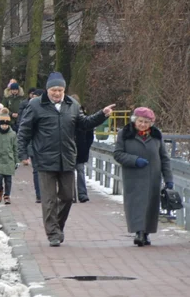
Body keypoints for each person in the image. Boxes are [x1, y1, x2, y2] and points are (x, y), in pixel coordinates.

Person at [17, 72, 113, 247]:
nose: (57, 93)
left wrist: (102, 115)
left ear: (64, 90)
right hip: (44, 159)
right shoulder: (36, 105)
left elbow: (84, 123)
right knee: (49, 199)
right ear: (47, 90)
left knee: (68, 197)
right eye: (54, 90)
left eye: (60, 90)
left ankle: (57, 226)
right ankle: (53, 233)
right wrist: (23, 154)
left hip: (67, 158)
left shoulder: (72, 105)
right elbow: (24, 131)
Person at [113, 107, 173, 246]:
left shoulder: (156, 135)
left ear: (151, 123)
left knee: (151, 206)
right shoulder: (125, 134)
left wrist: (168, 179)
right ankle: (138, 232)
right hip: (133, 177)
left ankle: (146, 233)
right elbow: (118, 154)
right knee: (136, 205)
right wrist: (134, 160)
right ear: (135, 120)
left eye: (146, 122)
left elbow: (164, 158)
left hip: (153, 177)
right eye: (140, 121)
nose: (143, 124)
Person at [74, 94, 97, 203]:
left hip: (80, 149)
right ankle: (72, 194)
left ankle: (82, 193)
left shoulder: (85, 118)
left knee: (80, 171)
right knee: (70, 173)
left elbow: (90, 135)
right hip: (69, 150)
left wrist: (86, 146)